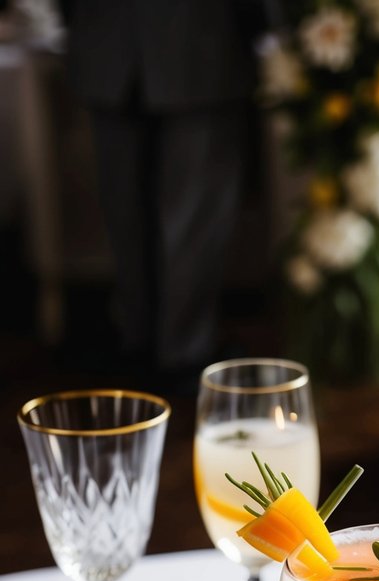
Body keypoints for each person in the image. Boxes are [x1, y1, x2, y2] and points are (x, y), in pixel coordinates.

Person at [60, 0, 270, 388]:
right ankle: (182, 353)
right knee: (189, 215)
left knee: (125, 209)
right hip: (198, 39)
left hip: (107, 40)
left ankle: (138, 338)